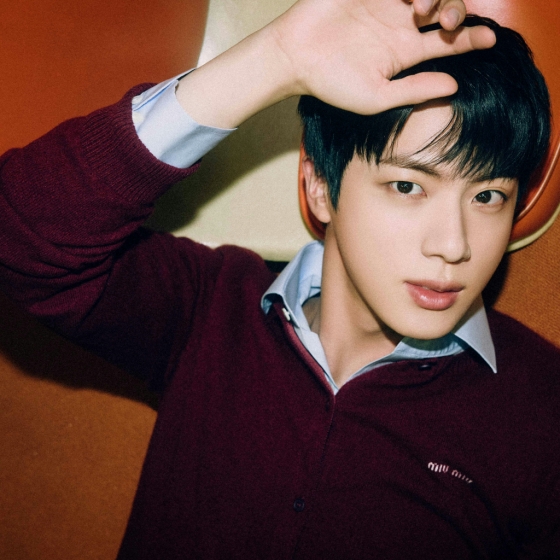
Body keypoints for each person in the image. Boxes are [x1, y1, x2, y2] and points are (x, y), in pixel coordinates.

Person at [0, 0, 558, 558]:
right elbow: (19, 235)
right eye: (408, 187)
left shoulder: (542, 409)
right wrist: (276, 58)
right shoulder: (209, 307)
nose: (454, 245)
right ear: (320, 187)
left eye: (489, 196)